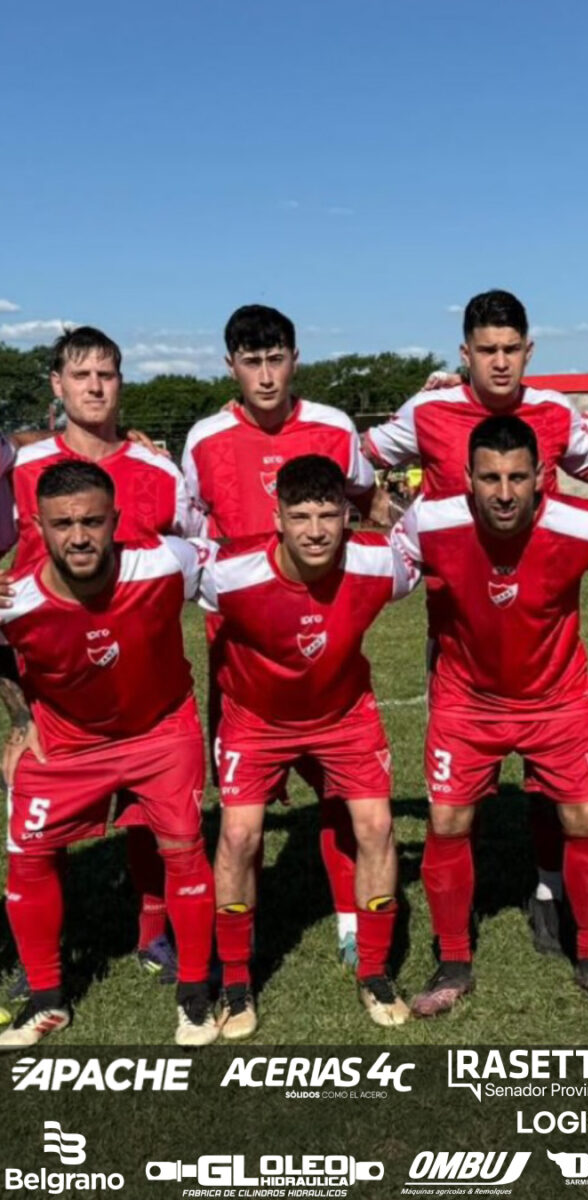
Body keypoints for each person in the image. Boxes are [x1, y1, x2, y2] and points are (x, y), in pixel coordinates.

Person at [366, 289, 588, 956]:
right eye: (486, 350)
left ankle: (549, 889)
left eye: (510, 350)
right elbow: (355, 459)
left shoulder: (554, 412)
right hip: (458, 632)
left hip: (540, 616)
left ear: (529, 351)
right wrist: (386, 515)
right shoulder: (429, 410)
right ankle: (457, 922)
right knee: (455, 794)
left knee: (553, 780)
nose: (499, 363)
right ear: (464, 354)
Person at [393, 414, 588, 1016]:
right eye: (490, 478)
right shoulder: (428, 522)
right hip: (466, 701)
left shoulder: (585, 527)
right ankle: (453, 962)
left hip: (557, 699)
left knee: (585, 819)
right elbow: (371, 576)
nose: (504, 493)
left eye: (518, 478)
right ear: (467, 478)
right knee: (447, 822)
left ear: (542, 477)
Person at [181, 305, 379, 969]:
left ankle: (350, 919)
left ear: (295, 359)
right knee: (242, 812)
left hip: (326, 641)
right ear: (230, 366)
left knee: (341, 793)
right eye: (251, 362)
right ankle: (245, 937)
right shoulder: (205, 439)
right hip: (242, 653)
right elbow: (188, 531)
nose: (265, 376)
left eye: (275, 360)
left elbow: (366, 500)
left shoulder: (334, 427)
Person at [0, 462, 216, 1047]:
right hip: (66, 742)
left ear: (115, 521)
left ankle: (195, 993)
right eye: (62, 524)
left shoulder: (166, 561)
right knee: (27, 854)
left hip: (160, 731)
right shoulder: (14, 598)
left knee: (183, 847)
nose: (78, 537)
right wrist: (20, 718)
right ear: (37, 527)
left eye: (92, 522)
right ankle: (46, 1000)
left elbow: (240, 567)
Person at [198, 455, 415, 1035]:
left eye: (327, 515)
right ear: (277, 518)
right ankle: (237, 983)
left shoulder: (379, 563)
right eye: (300, 516)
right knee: (239, 835)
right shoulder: (228, 575)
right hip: (255, 719)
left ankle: (374, 972)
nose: (315, 531)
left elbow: (442, 547)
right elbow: (147, 571)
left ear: (348, 516)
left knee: (376, 826)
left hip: (344, 715)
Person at [10, 326, 194, 985]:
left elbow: (195, 554)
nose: (94, 387)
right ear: (56, 386)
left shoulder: (158, 470)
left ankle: (153, 932)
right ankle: (45, 958)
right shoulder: (22, 468)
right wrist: (18, 717)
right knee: (42, 827)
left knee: (150, 815)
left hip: (144, 681)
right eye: (80, 375)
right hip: (54, 687)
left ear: (121, 383)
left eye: (106, 375)